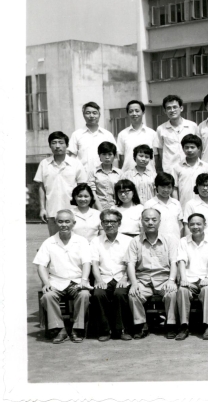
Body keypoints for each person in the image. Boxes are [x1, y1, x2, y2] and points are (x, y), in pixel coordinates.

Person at [34, 209, 92, 343]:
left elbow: (86, 262)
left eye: (67, 221)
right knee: (48, 296)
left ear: (73, 223)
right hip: (56, 281)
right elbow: (41, 265)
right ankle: (60, 329)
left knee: (84, 295)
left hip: (77, 281)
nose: (64, 225)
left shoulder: (81, 241)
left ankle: (77, 328)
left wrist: (84, 280)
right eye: (60, 221)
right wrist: (46, 283)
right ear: (56, 223)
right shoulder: (49, 242)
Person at [125, 208, 179, 339]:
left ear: (160, 221)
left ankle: (171, 325)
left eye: (154, 220)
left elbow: (174, 262)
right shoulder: (135, 241)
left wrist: (171, 280)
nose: (150, 223)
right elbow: (130, 264)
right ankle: (141, 325)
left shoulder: (169, 240)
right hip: (143, 280)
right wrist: (134, 283)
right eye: (146, 220)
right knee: (133, 294)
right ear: (141, 221)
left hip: (164, 279)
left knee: (172, 293)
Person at [90, 208, 133, 341]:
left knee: (120, 294)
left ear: (119, 223)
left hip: (123, 277)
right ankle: (105, 330)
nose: (109, 224)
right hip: (104, 277)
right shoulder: (95, 241)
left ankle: (122, 329)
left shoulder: (128, 240)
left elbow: (131, 263)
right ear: (101, 224)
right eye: (105, 221)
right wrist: (99, 280)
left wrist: (125, 278)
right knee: (98, 294)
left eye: (112, 221)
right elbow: (94, 264)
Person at [35, 131, 88, 235]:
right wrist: (42, 209)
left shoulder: (76, 163)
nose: (57, 146)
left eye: (61, 142)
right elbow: (41, 187)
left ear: (67, 145)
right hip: (52, 211)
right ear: (50, 145)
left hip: (73, 211)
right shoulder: (44, 164)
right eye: (54, 143)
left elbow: (82, 187)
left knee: (75, 240)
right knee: (54, 240)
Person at [175, 213, 208, 340]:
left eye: (198, 224)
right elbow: (181, 261)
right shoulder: (183, 241)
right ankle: (184, 326)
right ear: (188, 226)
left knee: (207, 290)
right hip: (190, 277)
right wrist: (183, 279)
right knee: (182, 290)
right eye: (192, 224)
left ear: (205, 225)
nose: (195, 227)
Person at [68, 101, 116, 173]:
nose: (91, 116)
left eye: (94, 113)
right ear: (83, 115)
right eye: (88, 113)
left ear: (99, 115)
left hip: (104, 175)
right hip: (83, 175)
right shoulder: (76, 134)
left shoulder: (107, 135)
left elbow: (115, 157)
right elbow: (72, 157)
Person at [156, 95, 199, 175]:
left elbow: (198, 147)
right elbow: (160, 150)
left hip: (190, 168)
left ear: (181, 108)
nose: (172, 110)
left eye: (175, 107)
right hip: (170, 170)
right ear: (165, 111)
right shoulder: (161, 129)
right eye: (169, 108)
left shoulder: (192, 126)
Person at [172, 134, 208, 213]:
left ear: (199, 148)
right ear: (183, 149)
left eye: (192, 147)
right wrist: (177, 207)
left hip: (203, 207)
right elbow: (174, 189)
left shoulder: (206, 167)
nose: (189, 150)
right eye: (186, 147)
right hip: (184, 207)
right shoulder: (177, 167)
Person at [117, 99, 159, 172]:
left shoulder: (152, 133)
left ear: (143, 112)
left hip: (148, 175)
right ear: (127, 114)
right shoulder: (122, 134)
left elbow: (156, 156)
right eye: (131, 111)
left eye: (137, 111)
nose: (134, 113)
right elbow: (121, 157)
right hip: (128, 174)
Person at [142, 172, 182, 240]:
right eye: (163, 187)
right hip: (157, 242)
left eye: (169, 187)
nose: (166, 190)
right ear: (156, 186)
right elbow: (144, 226)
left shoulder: (176, 203)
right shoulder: (149, 204)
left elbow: (180, 225)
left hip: (175, 240)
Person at [182, 173, 208, 238]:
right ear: (197, 186)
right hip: (197, 242)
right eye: (202, 185)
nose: (205, 188)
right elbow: (187, 227)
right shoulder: (190, 204)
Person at [87, 141, 122, 210]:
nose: (107, 157)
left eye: (110, 154)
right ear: (99, 155)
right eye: (104, 154)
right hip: (97, 208)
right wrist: (100, 210)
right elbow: (92, 192)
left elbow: (121, 192)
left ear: (114, 156)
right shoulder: (93, 172)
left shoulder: (120, 173)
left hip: (116, 208)